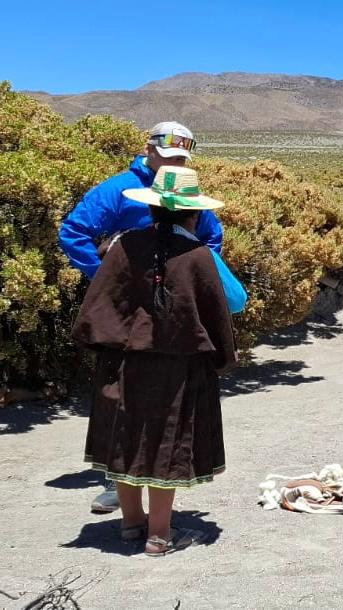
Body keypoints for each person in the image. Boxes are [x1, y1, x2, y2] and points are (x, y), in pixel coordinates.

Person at [59, 121, 224, 515]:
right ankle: (118, 482)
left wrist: (194, 276)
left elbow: (212, 238)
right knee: (123, 392)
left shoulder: (185, 188)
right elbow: (74, 232)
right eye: (168, 157)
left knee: (165, 394)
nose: (173, 162)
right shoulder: (117, 190)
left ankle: (151, 483)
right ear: (148, 150)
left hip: (172, 311)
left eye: (181, 158)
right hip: (128, 311)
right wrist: (108, 280)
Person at [73, 166, 236, 556]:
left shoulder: (122, 248)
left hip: (123, 365)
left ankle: (131, 524)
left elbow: (97, 308)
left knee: (127, 438)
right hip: (177, 372)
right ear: (193, 214)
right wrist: (222, 360)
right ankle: (160, 535)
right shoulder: (199, 256)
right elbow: (216, 317)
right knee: (167, 442)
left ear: (153, 210)